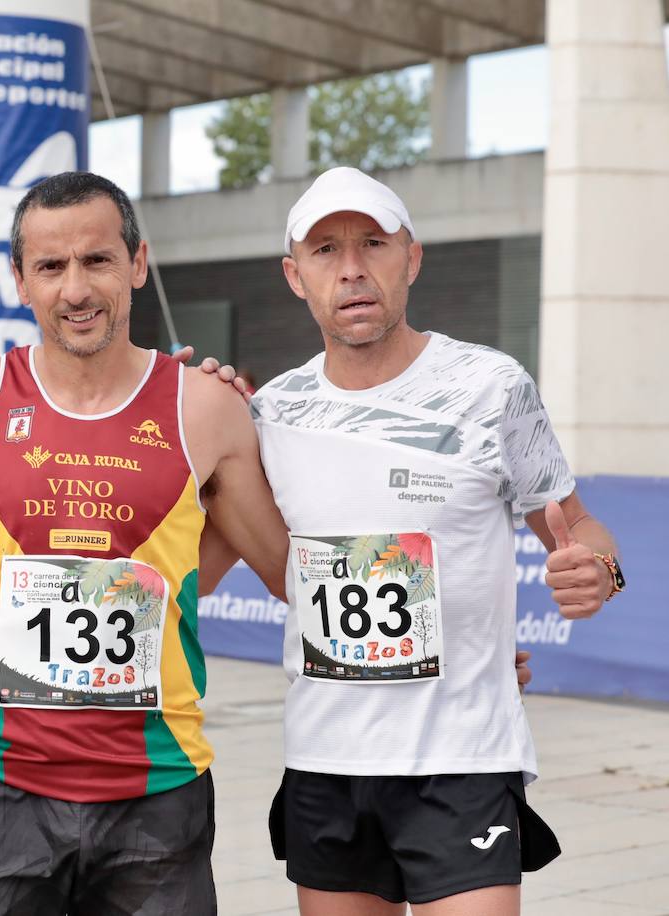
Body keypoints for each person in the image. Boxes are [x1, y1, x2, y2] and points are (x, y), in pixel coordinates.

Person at [0, 171, 290, 915]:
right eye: (51, 266)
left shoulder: (204, 407)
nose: (76, 289)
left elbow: (291, 574)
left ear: (138, 263)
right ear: (19, 280)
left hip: (155, 790)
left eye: (97, 260)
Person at [248, 168, 620, 915]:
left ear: (411, 258)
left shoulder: (492, 387)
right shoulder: (269, 413)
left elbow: (576, 523)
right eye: (325, 250)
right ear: (295, 276)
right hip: (326, 758)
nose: (352, 269)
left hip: (463, 756)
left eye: (373, 244)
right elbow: (227, 561)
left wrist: (600, 571)